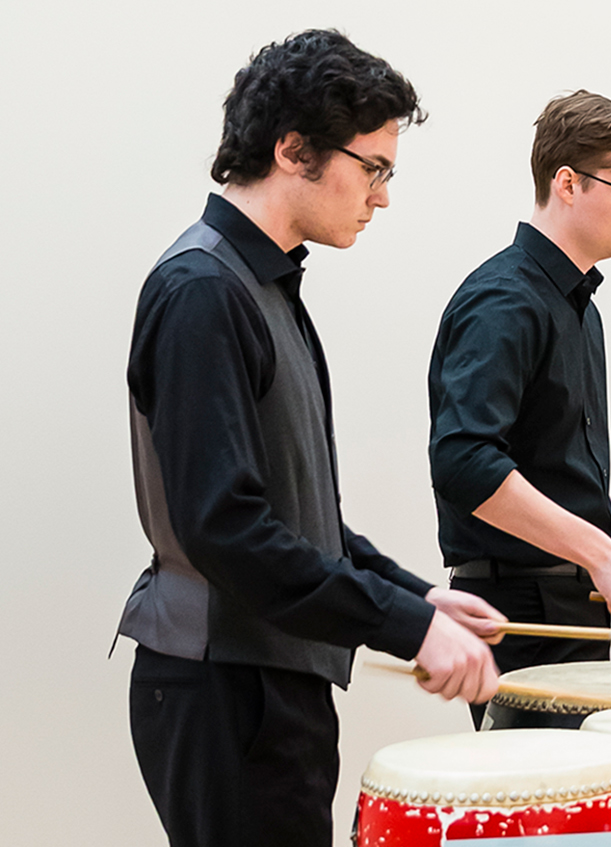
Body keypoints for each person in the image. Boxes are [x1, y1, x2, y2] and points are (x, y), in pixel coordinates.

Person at [118, 30, 502, 846]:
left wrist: (416, 596)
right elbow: (227, 529)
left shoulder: (263, 286)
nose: (383, 196)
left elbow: (297, 520)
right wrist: (406, 627)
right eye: (374, 168)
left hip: (269, 681)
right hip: (223, 685)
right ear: (294, 149)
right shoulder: (201, 290)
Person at [427, 91, 611, 728]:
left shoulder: (577, 305)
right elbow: (465, 463)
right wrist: (603, 553)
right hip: (521, 612)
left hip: (569, 601)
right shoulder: (504, 300)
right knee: (548, 822)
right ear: (567, 183)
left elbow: (538, 468)